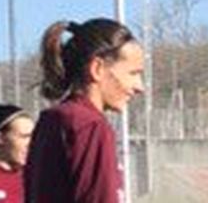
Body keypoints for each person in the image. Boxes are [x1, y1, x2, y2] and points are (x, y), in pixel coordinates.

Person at [23, 18, 145, 203]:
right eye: (133, 73)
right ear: (97, 69)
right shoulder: (90, 125)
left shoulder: (52, 118)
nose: (139, 86)